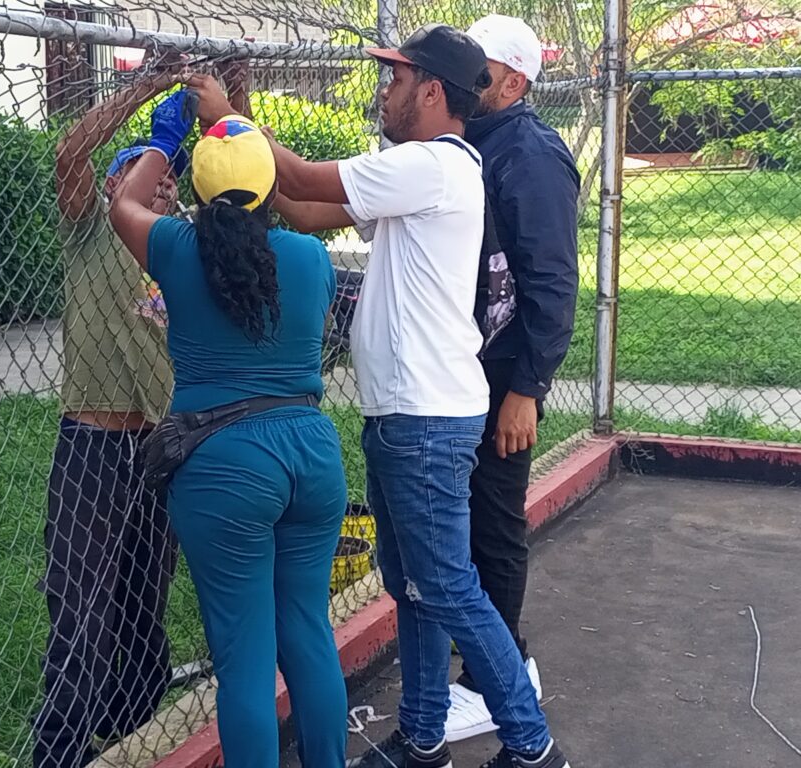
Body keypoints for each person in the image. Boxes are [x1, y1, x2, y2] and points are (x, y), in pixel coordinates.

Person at [209, 24, 571, 768]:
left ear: (432, 91)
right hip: (407, 412)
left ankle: (533, 746)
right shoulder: (423, 173)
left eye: (396, 79)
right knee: (413, 585)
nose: (383, 91)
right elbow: (307, 211)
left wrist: (230, 121)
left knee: (446, 585)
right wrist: (241, 145)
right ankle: (425, 736)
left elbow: (302, 177)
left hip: (425, 416)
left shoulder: (431, 165)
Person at [109, 91, 349, 768]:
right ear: (270, 187)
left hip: (224, 465)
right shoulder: (310, 257)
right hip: (310, 453)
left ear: (197, 189)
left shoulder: (177, 249)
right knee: (308, 632)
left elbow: (122, 205)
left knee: (244, 659)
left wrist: (164, 140)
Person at [32, 66, 186, 768]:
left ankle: (132, 723)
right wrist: (146, 89)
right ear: (112, 187)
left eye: (170, 177)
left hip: (158, 445)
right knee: (82, 604)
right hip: (93, 444)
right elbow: (71, 153)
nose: (162, 181)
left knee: (144, 597)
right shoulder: (91, 230)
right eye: (144, 169)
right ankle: (62, 745)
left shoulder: (178, 249)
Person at [444, 15, 581, 744]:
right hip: (465, 367)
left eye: (483, 66)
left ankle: (496, 677)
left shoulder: (528, 153)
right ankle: (494, 667)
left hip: (504, 376)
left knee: (492, 523)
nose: (470, 75)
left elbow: (552, 283)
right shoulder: (472, 140)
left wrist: (527, 389)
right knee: (465, 521)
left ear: (515, 82)